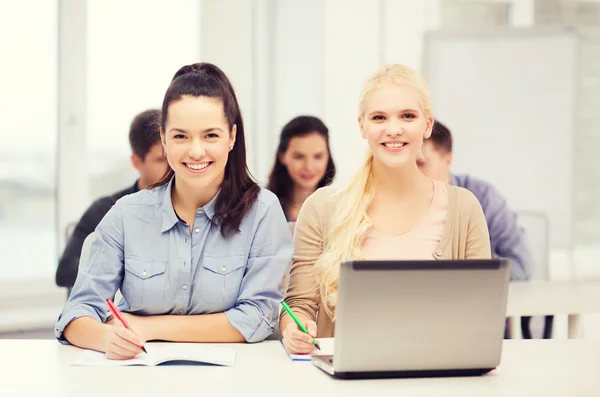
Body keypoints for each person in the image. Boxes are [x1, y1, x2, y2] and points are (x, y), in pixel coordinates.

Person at [55, 62, 293, 359]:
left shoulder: (263, 211)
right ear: (164, 139)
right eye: (181, 136)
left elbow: (257, 317)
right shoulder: (127, 214)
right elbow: (76, 313)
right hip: (139, 375)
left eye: (210, 136)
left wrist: (148, 327)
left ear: (231, 137)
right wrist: (106, 338)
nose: (195, 151)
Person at [281, 64, 491, 354]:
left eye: (408, 116)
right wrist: (295, 329)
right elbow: (299, 306)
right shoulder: (321, 207)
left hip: (439, 376)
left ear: (427, 125)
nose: (393, 129)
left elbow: (481, 310)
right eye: (379, 117)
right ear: (362, 126)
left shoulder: (464, 207)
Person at [55, 109, 166, 291]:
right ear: (137, 162)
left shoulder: (193, 209)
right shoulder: (105, 210)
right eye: (161, 160)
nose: (172, 168)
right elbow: (65, 272)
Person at [417, 120, 531, 281]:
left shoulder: (484, 198)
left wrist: (471, 257)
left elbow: (521, 267)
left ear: (447, 160)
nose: (411, 172)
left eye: (421, 163)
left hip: (471, 297)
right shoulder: (388, 202)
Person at [266, 116, 336, 221]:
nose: (309, 166)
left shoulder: (341, 209)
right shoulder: (265, 208)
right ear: (282, 156)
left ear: (328, 156)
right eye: (299, 156)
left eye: (318, 156)